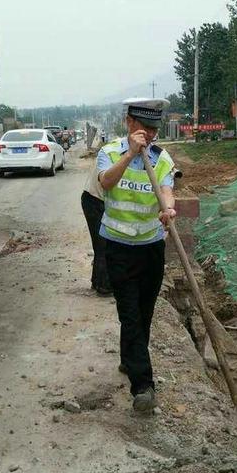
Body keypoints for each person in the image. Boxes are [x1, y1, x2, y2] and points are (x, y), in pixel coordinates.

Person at [97, 98, 176, 413]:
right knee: (129, 313)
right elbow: (106, 182)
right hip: (117, 246)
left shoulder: (161, 158)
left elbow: (167, 189)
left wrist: (168, 208)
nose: (150, 135)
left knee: (143, 313)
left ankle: (128, 359)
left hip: (151, 247)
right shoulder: (110, 153)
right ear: (129, 123)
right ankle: (143, 386)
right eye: (145, 128)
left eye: (154, 129)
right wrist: (130, 153)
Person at [80, 163, 112, 295]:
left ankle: (97, 281)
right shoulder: (116, 154)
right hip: (94, 200)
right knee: (103, 244)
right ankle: (104, 286)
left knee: (101, 244)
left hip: (96, 199)